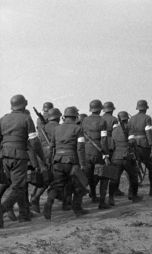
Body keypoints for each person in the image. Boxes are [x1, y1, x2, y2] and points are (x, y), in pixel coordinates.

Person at [0, 94, 47, 227]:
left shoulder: (3, 119)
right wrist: (42, 158)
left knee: (16, 185)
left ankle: (24, 215)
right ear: (24, 104)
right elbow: (34, 142)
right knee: (19, 187)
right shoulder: (26, 118)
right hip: (19, 156)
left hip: (5, 156)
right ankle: (3, 209)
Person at [43, 106, 88, 219]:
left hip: (57, 161)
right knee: (79, 185)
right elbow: (80, 148)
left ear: (64, 116)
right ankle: (77, 209)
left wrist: (50, 161)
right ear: (75, 116)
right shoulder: (78, 129)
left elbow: (51, 146)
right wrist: (82, 164)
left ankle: (49, 202)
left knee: (57, 185)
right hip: (71, 161)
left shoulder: (56, 129)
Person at [108, 111, 142, 204]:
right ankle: (133, 196)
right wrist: (137, 156)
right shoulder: (130, 128)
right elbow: (132, 142)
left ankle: (111, 198)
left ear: (119, 119)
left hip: (116, 157)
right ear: (127, 118)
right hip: (128, 157)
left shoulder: (114, 130)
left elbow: (111, 146)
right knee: (133, 177)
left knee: (113, 178)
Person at [81, 99, 110, 208]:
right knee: (104, 175)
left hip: (86, 151)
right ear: (100, 109)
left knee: (88, 176)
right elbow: (103, 140)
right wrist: (105, 154)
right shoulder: (102, 121)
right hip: (98, 151)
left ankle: (92, 196)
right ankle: (102, 202)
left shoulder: (84, 121)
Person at [129, 99, 152, 196]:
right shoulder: (147, 118)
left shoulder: (131, 119)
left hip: (133, 146)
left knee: (133, 168)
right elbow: (149, 133)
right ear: (145, 108)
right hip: (144, 146)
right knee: (151, 167)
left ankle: (132, 191)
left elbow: (129, 133)